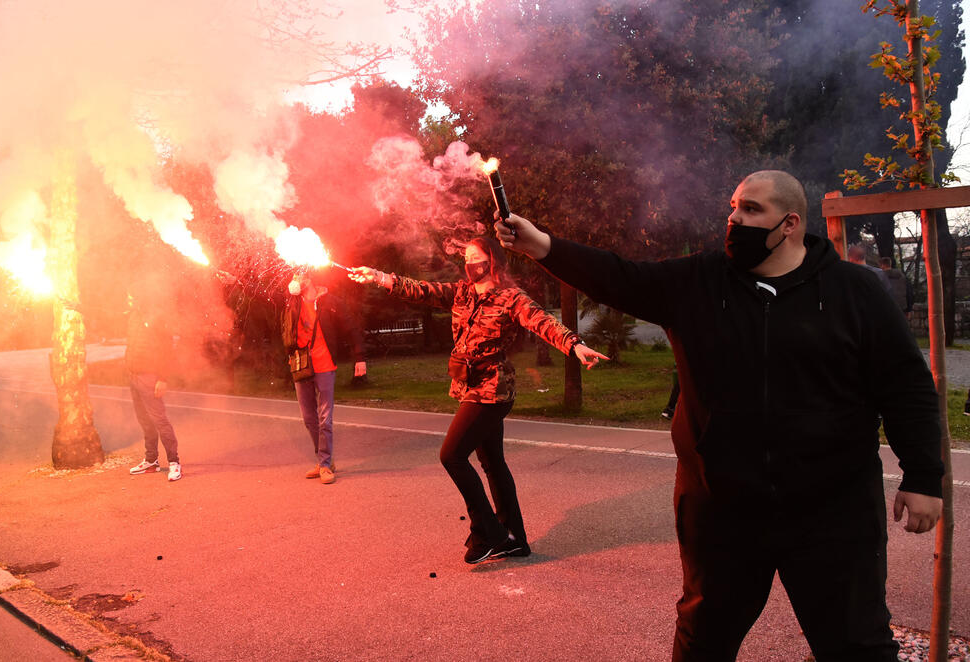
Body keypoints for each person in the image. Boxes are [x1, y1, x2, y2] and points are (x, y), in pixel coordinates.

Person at [494, 170, 943, 661]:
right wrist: (542, 246)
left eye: (751, 210)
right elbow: (619, 276)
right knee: (703, 639)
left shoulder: (854, 291)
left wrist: (924, 477)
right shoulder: (698, 281)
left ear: (790, 223)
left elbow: (906, 386)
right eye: (733, 207)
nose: (734, 219)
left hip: (833, 511)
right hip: (722, 509)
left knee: (857, 645)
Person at [350, 237, 608, 564]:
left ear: (492, 260)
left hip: (493, 390)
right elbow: (422, 290)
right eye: (467, 258)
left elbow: (542, 321)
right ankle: (514, 539)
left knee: (452, 455)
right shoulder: (462, 293)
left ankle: (488, 533)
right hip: (470, 388)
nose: (470, 263)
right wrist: (379, 277)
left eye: (476, 257)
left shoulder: (510, 298)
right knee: (492, 463)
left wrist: (574, 344)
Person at [283, 270, 366, 485]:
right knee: (309, 418)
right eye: (294, 276)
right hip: (301, 365)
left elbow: (352, 329)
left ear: (309, 278)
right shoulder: (292, 302)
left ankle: (325, 464)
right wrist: (237, 281)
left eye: (299, 276)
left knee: (325, 418)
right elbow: (263, 296)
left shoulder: (331, 302)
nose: (295, 280)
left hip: (325, 364)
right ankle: (323, 460)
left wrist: (359, 358)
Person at [125, 284, 183, 482]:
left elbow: (168, 349)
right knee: (145, 420)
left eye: (130, 297)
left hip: (149, 377)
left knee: (159, 420)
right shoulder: (133, 316)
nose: (128, 300)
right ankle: (151, 461)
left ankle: (174, 462)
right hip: (134, 376)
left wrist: (163, 378)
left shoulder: (157, 318)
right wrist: (79, 307)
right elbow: (106, 312)